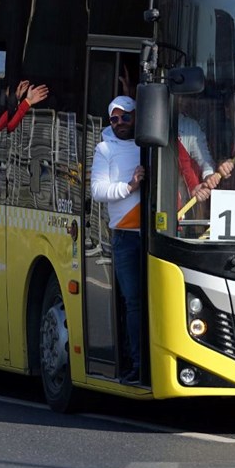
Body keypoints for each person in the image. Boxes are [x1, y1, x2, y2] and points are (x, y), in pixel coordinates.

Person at [91, 95, 145, 384]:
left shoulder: (150, 142)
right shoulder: (104, 149)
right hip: (125, 236)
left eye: (126, 117)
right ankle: (136, 364)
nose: (121, 123)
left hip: (155, 235)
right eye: (115, 118)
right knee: (133, 302)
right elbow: (98, 190)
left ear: (138, 116)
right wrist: (129, 187)